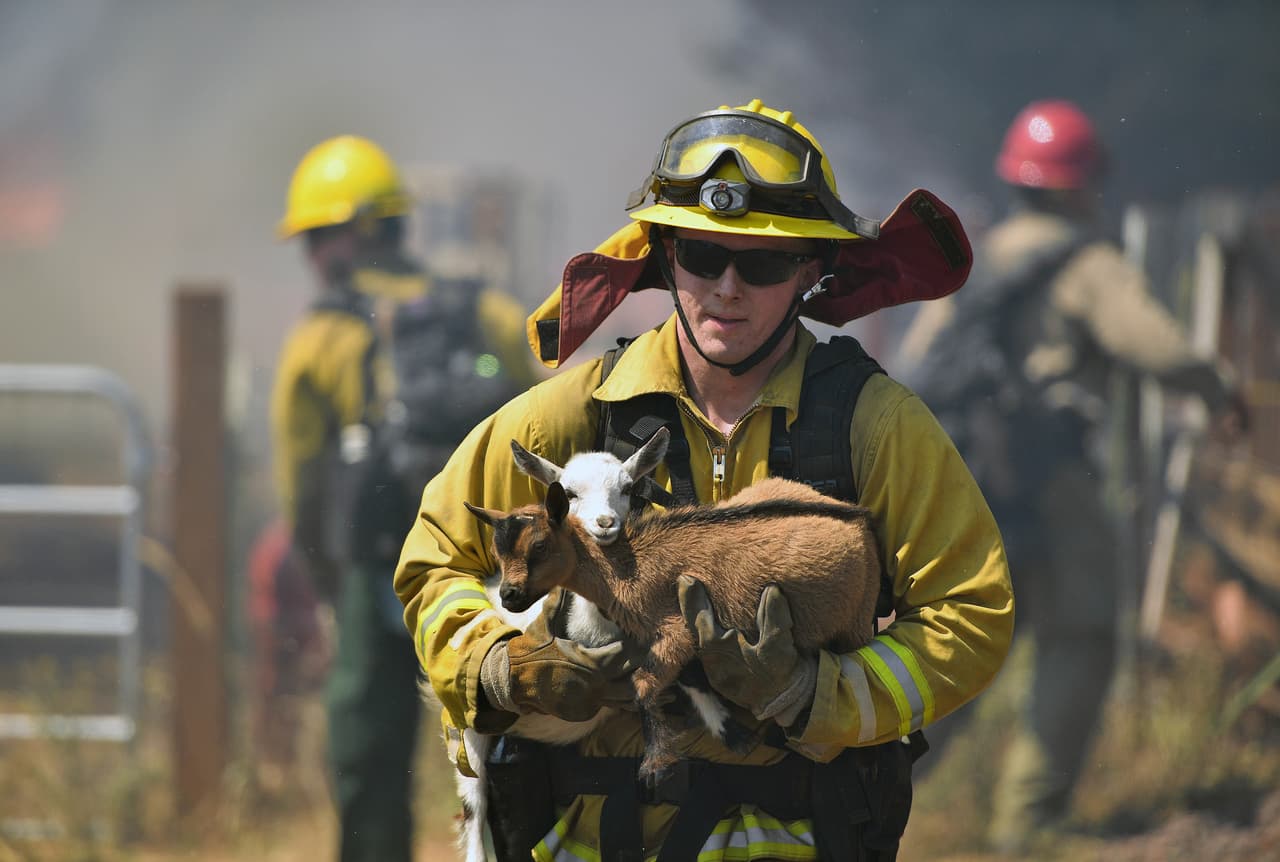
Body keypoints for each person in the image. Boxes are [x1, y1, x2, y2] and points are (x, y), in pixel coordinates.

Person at [395, 99, 1014, 862]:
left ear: (810, 270)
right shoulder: (575, 413)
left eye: (763, 263)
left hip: (803, 837)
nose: (727, 288)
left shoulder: (875, 426)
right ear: (664, 258)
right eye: (701, 255)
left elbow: (972, 612)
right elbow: (433, 562)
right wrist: (500, 666)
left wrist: (822, 696)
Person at [897, 99, 1248, 852]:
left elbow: (915, 368)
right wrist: (1220, 392)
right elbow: (1155, 347)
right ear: (1083, 182)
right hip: (1053, 478)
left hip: (967, 483)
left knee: (966, 645)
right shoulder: (1087, 264)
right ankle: (1030, 823)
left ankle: (864, 796)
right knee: (1081, 633)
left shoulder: (973, 261)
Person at [271, 134, 535, 861]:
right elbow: (542, 423)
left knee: (368, 752)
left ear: (342, 237)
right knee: (510, 750)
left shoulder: (320, 339)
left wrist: (330, 580)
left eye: (313, 239)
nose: (310, 258)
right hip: (489, 567)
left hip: (378, 567)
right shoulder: (485, 311)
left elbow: (300, 477)